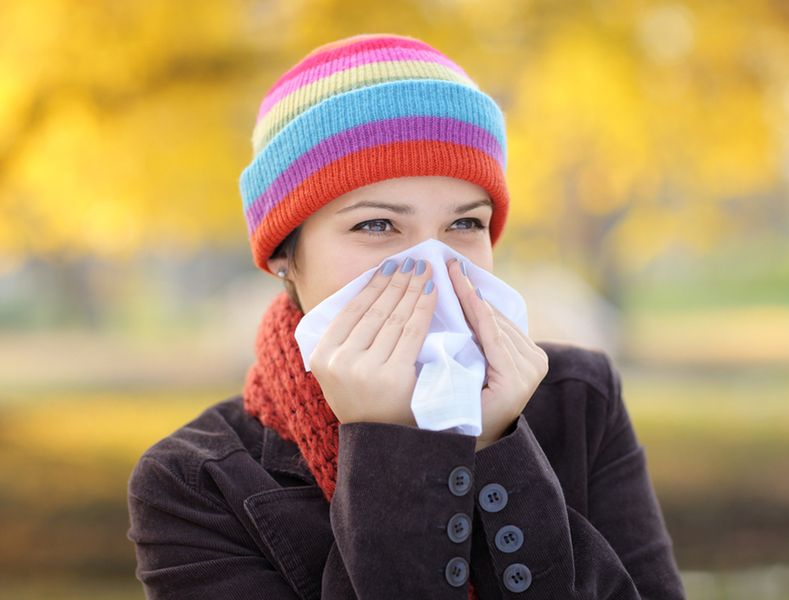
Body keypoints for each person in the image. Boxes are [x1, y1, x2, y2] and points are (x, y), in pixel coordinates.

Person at [126, 32, 686, 599]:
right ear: (284, 254)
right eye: (376, 225)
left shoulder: (579, 399)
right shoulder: (195, 482)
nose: (431, 265)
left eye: (464, 224)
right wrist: (388, 447)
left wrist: (498, 446)